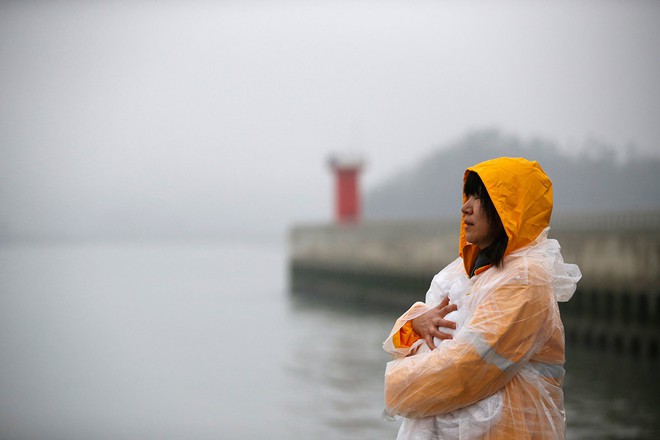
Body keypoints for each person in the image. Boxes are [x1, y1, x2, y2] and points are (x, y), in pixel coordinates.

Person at [383, 157, 581, 439]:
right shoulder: (464, 270)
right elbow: (412, 333)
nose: (466, 207)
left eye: (481, 197)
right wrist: (415, 325)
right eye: (469, 195)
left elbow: (465, 369)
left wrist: (397, 383)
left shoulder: (524, 279)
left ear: (509, 208)